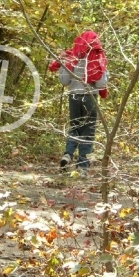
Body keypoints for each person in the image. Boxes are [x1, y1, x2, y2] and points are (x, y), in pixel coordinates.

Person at [49, 30, 108, 174]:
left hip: (74, 96)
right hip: (90, 97)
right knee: (88, 131)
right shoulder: (97, 57)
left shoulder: (72, 56)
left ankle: (68, 154)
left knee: (74, 127)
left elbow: (64, 81)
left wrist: (63, 65)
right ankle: (83, 166)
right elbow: (101, 84)